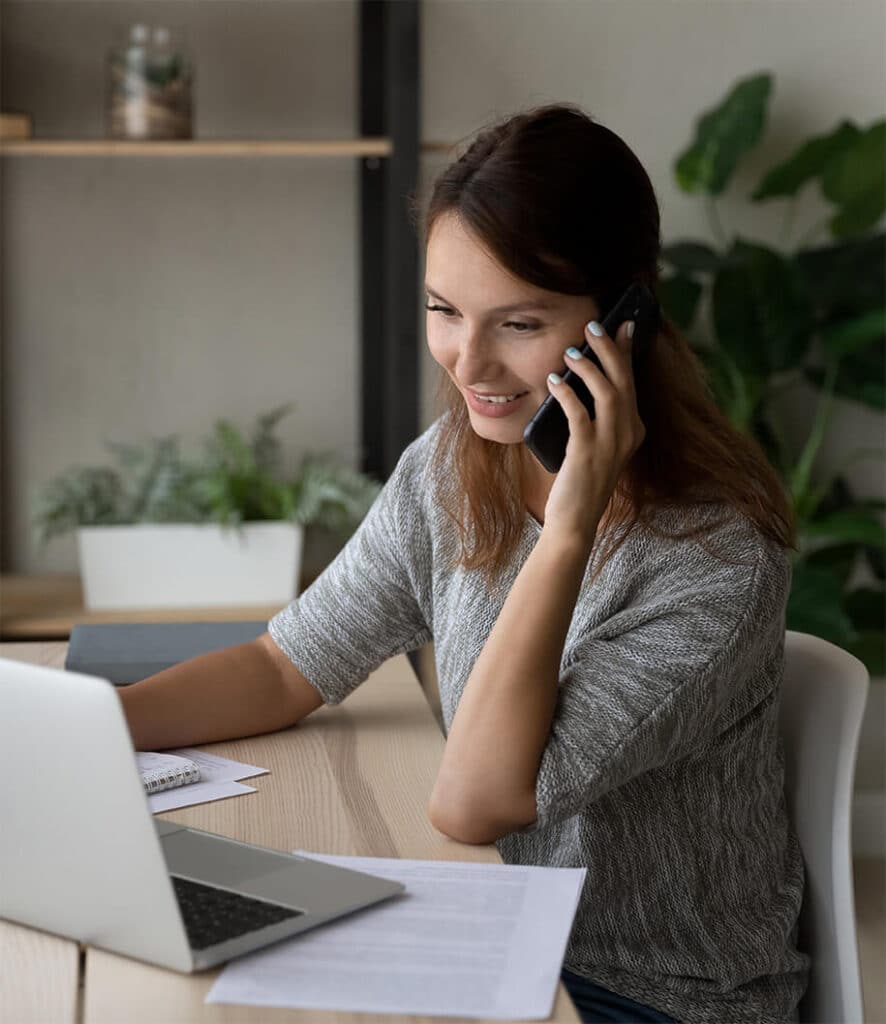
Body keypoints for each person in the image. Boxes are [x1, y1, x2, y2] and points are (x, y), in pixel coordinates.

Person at [119, 104, 810, 1023]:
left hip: (644, 993)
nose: (469, 363)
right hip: (488, 927)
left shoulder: (715, 562)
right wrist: (89, 733)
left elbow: (476, 802)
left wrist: (567, 531)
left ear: (625, 318)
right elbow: (284, 667)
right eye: (447, 311)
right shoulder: (454, 468)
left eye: (518, 323)